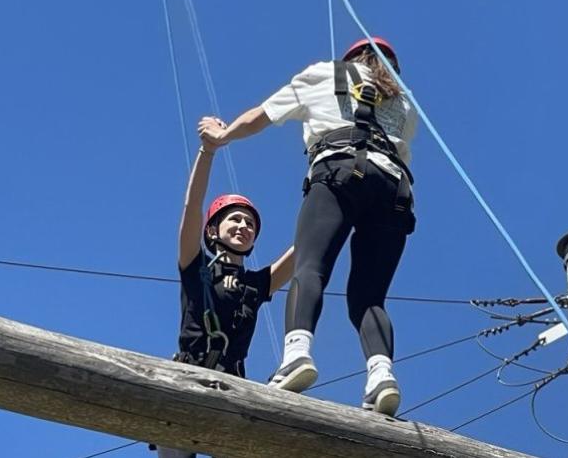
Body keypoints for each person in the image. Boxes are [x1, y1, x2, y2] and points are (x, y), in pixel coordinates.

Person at [197, 37, 418, 416]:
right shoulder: (405, 104)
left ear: (350, 57)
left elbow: (262, 115)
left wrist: (222, 136)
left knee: (311, 266)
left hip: (340, 171)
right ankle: (382, 375)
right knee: (369, 297)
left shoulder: (323, 73)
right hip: (395, 191)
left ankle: (297, 355)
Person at [155, 122, 294, 458]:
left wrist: (342, 205)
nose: (244, 227)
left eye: (250, 224)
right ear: (214, 230)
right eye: (235, 220)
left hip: (231, 387)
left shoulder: (255, 285)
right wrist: (209, 151)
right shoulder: (196, 266)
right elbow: (192, 207)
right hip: (186, 378)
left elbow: (306, 250)